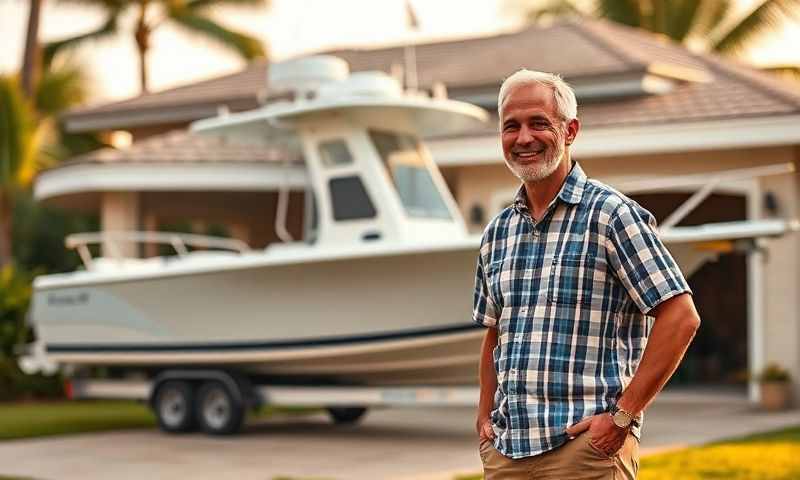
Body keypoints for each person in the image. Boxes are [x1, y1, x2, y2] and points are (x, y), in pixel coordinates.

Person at [473, 69, 701, 480]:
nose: (523, 137)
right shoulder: (497, 232)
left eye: (539, 123)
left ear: (570, 130)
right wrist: (485, 418)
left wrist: (622, 417)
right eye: (511, 126)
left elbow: (681, 316)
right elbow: (495, 331)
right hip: (507, 454)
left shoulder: (611, 214)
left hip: (585, 452)